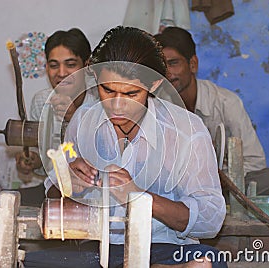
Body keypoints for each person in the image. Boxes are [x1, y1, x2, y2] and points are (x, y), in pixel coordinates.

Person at [24, 26, 226, 267]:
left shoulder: (186, 131)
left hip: (163, 246)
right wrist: (66, 181)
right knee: (32, 262)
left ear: (153, 86)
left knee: (211, 260)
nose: (117, 106)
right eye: (107, 90)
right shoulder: (83, 120)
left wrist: (140, 198)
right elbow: (55, 190)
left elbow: (210, 220)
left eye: (131, 94)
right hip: (98, 249)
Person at [155, 27, 269, 196]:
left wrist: (219, 179)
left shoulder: (226, 102)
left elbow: (255, 161)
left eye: (173, 63)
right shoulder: (157, 106)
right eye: (162, 66)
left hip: (224, 187)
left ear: (193, 64)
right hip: (181, 189)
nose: (168, 73)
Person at [15, 28, 97, 204]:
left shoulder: (101, 100)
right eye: (53, 65)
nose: (61, 73)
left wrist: (74, 118)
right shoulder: (42, 101)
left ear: (87, 65)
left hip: (95, 191)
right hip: (54, 190)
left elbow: (105, 155)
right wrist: (32, 161)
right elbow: (46, 162)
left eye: (70, 64)